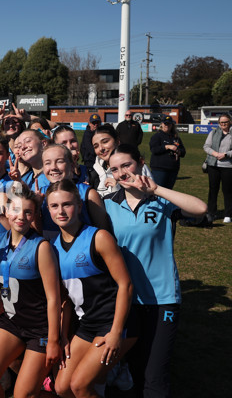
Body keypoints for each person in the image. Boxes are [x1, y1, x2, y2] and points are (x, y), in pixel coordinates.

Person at [103, 144, 207, 398]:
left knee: (155, 375)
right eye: (115, 169)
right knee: (134, 369)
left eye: (126, 165)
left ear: (140, 162)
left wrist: (157, 189)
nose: (122, 173)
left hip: (163, 299)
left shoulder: (161, 201)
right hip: (126, 301)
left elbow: (201, 209)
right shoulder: (107, 205)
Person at [0, 187, 61, 398]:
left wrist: (53, 341)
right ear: (6, 212)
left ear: (34, 215)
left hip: (39, 328)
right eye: (16, 210)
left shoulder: (40, 247)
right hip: (12, 323)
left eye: (28, 212)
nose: (21, 216)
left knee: (22, 394)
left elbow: (54, 298)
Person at [46, 179, 137, 398]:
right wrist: (63, 336)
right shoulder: (53, 248)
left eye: (66, 204)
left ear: (78, 206)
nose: (61, 211)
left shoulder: (99, 237)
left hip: (116, 323)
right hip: (87, 324)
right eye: (54, 206)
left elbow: (126, 284)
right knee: (61, 388)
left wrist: (116, 332)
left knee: (80, 386)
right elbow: (66, 299)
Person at [203, 113, 232, 224]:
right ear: (218, 123)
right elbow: (206, 146)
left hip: (228, 166)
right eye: (221, 122)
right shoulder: (214, 132)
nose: (223, 124)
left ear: (230, 122)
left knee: (228, 191)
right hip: (213, 165)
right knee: (213, 189)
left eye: (226, 122)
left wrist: (226, 154)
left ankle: (228, 214)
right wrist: (215, 154)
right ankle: (211, 212)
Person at [149, 116, 186, 190]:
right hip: (160, 170)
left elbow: (183, 152)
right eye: (165, 123)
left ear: (172, 125)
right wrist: (166, 147)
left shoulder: (176, 137)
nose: (167, 125)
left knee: (169, 193)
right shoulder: (157, 136)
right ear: (162, 124)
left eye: (169, 124)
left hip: (173, 169)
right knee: (158, 192)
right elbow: (154, 149)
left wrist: (178, 152)